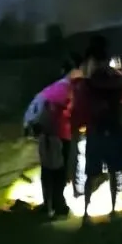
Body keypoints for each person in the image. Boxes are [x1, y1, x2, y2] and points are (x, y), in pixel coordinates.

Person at [72, 40, 122, 220]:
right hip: (110, 128)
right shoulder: (114, 80)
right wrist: (120, 74)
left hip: (96, 129)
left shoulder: (88, 83)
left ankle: (85, 213)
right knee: (113, 170)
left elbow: (81, 103)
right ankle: (112, 210)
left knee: (91, 173)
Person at [24, 59, 84, 219]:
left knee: (48, 171)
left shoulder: (54, 89)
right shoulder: (66, 89)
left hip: (49, 134)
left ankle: (48, 205)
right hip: (57, 135)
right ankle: (57, 206)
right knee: (57, 171)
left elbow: (37, 108)